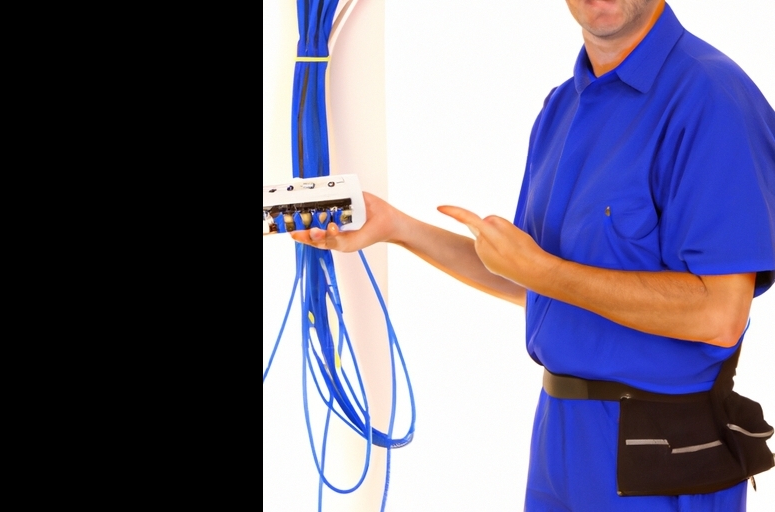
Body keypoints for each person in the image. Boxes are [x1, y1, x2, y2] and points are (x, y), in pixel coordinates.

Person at [291, 1, 775, 510]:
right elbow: (537, 282)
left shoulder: (711, 98)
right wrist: (398, 228)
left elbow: (720, 315)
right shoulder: (562, 107)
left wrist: (542, 270)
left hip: (661, 453)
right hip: (557, 436)